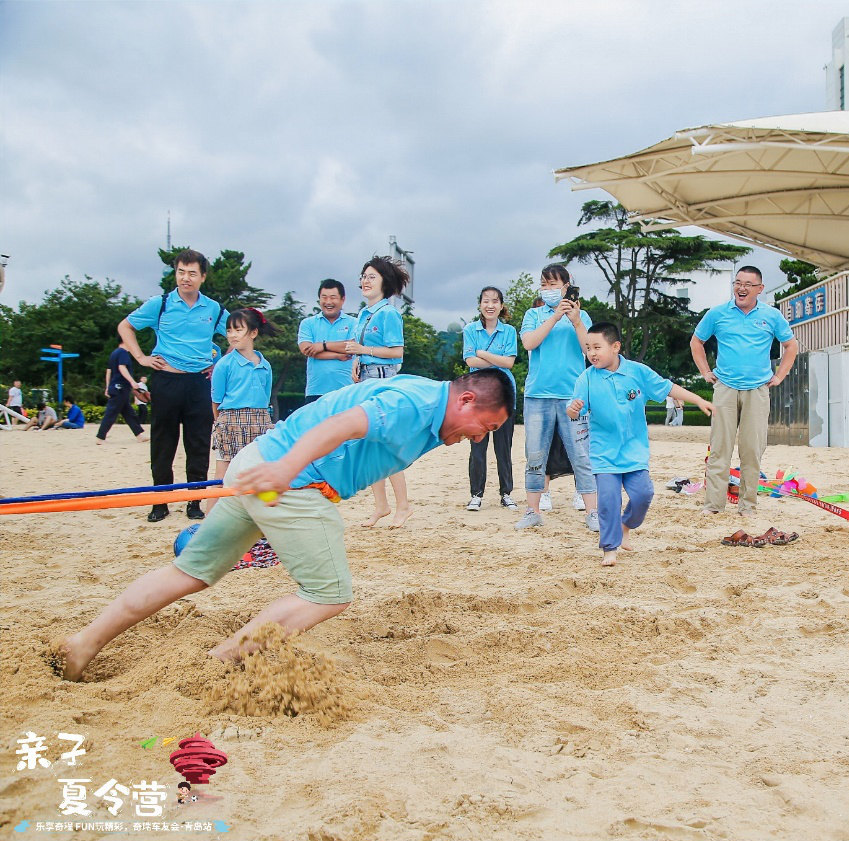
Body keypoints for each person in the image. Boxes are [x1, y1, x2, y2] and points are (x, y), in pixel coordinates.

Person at [55, 369, 514, 682]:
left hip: (256, 465)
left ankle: (83, 644)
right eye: (483, 426)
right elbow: (341, 425)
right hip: (289, 481)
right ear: (467, 399)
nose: (478, 437)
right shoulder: (414, 403)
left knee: (189, 572)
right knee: (329, 594)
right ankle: (216, 666)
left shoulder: (429, 399)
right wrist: (285, 471)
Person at [569, 323, 713, 566]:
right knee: (608, 501)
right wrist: (572, 410)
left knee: (644, 495)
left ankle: (627, 525)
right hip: (604, 453)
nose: (591, 353)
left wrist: (698, 399)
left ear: (615, 347)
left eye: (597, 347)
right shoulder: (587, 378)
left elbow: (668, 387)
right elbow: (575, 410)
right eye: (588, 348)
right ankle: (609, 548)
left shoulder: (637, 372)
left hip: (634, 451)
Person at [118, 249, 228, 522]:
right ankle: (161, 502)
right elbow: (125, 327)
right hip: (166, 378)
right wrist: (141, 358)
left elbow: (239, 332)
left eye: (192, 273)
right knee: (163, 442)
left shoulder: (213, 308)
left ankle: (194, 501)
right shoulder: (161, 303)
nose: (185, 278)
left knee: (199, 443)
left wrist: (220, 363)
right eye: (181, 272)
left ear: (202, 277)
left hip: (200, 382)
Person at [690, 266, 798, 517]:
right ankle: (713, 506)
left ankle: (748, 506)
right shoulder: (717, 314)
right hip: (725, 388)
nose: (742, 288)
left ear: (760, 289)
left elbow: (790, 345)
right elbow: (697, 342)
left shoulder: (771, 316)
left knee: (752, 449)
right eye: (738, 282)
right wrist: (706, 372)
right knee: (720, 448)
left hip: (758, 390)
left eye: (748, 284)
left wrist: (780, 375)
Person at [515, 264, 599, 531]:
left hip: (572, 396)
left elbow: (590, 351)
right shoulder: (533, 314)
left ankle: (593, 512)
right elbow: (529, 343)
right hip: (538, 394)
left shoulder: (581, 315)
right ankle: (532, 510)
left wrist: (574, 320)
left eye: (553, 284)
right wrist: (554, 317)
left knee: (581, 455)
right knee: (535, 455)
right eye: (544, 284)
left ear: (566, 287)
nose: (548, 289)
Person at [345, 257, 411, 528]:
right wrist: (356, 363)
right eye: (363, 275)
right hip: (364, 382)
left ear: (385, 281)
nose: (365, 280)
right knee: (370, 446)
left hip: (383, 382)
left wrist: (364, 353)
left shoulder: (389, 314)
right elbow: (359, 349)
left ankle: (403, 506)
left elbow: (397, 353)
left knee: (387, 446)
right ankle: (381, 506)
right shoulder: (363, 313)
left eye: (371, 276)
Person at [209, 309, 278, 510]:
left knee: (260, 472)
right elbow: (216, 401)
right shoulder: (224, 364)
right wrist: (221, 425)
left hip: (259, 421)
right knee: (223, 473)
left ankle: (264, 520)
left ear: (253, 333)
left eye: (238, 330)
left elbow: (265, 398)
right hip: (230, 421)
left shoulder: (265, 365)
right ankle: (208, 521)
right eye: (229, 330)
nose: (232, 335)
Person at [463, 286, 518, 511]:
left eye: (495, 301)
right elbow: (469, 361)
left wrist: (482, 353)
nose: (490, 305)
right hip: (478, 395)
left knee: (503, 447)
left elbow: (509, 363)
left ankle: (506, 493)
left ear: (501, 305)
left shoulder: (509, 331)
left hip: (504, 394)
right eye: (486, 301)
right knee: (478, 446)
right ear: (480, 305)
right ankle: (476, 494)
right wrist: (496, 358)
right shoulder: (470, 330)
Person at [297, 279, 356, 404]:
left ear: (342, 299)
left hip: (346, 390)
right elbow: (306, 350)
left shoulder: (353, 323)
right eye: (324, 297)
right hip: (315, 391)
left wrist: (322, 346)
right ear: (319, 299)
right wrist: (337, 354)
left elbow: (352, 347)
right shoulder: (308, 323)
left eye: (333, 297)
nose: (328, 302)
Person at [96, 342, 149, 443]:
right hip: (120, 388)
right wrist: (132, 381)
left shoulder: (114, 353)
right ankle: (100, 436)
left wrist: (108, 386)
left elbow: (109, 371)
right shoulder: (123, 352)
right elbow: (122, 367)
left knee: (129, 413)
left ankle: (139, 435)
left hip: (117, 387)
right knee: (111, 412)